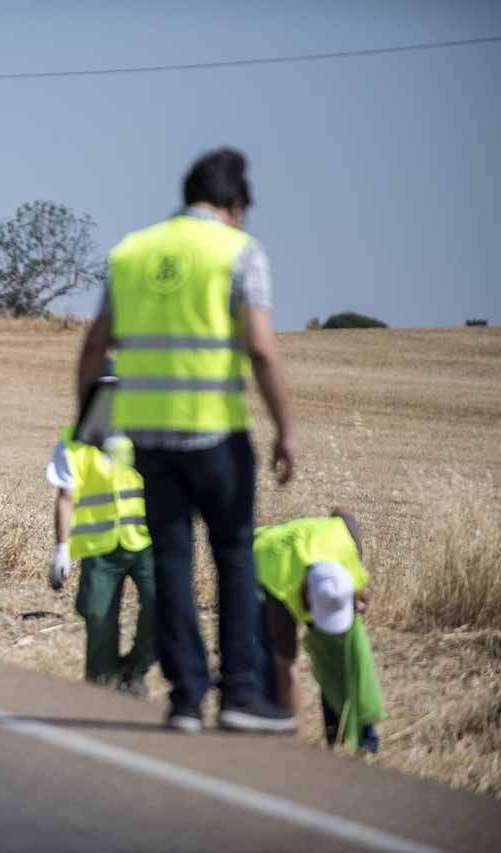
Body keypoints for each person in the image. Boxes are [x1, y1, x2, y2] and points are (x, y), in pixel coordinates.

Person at [77, 147, 296, 733]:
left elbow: (95, 347)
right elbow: (261, 347)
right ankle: (243, 695)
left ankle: (184, 699)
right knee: (233, 556)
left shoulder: (130, 252)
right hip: (216, 435)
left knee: (172, 560)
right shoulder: (239, 252)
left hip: (149, 440)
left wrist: (88, 425)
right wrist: (285, 428)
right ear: (234, 204)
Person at [46, 373, 157, 696]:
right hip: (99, 548)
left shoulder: (145, 435)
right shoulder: (72, 441)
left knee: (163, 607)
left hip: (148, 542)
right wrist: (61, 549)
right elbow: (66, 497)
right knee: (97, 615)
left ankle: (134, 671)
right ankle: (101, 686)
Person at [255, 510, 386, 753]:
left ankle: (354, 739)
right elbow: (286, 664)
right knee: (271, 661)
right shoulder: (279, 586)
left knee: (348, 655)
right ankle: (280, 731)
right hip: (265, 563)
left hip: (314, 555)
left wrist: (359, 593)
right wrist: (296, 742)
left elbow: (344, 515)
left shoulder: (347, 556)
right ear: (305, 595)